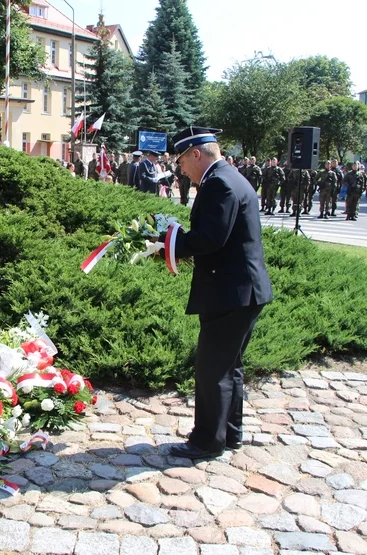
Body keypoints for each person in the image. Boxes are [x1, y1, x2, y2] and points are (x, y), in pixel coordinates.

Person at [154, 126, 272, 459]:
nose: (180, 170)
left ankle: (207, 441)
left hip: (231, 293)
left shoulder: (219, 182)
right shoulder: (229, 177)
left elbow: (211, 238)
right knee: (228, 367)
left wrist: (165, 245)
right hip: (241, 291)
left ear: (196, 153)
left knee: (211, 370)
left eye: (182, 162)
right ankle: (229, 433)